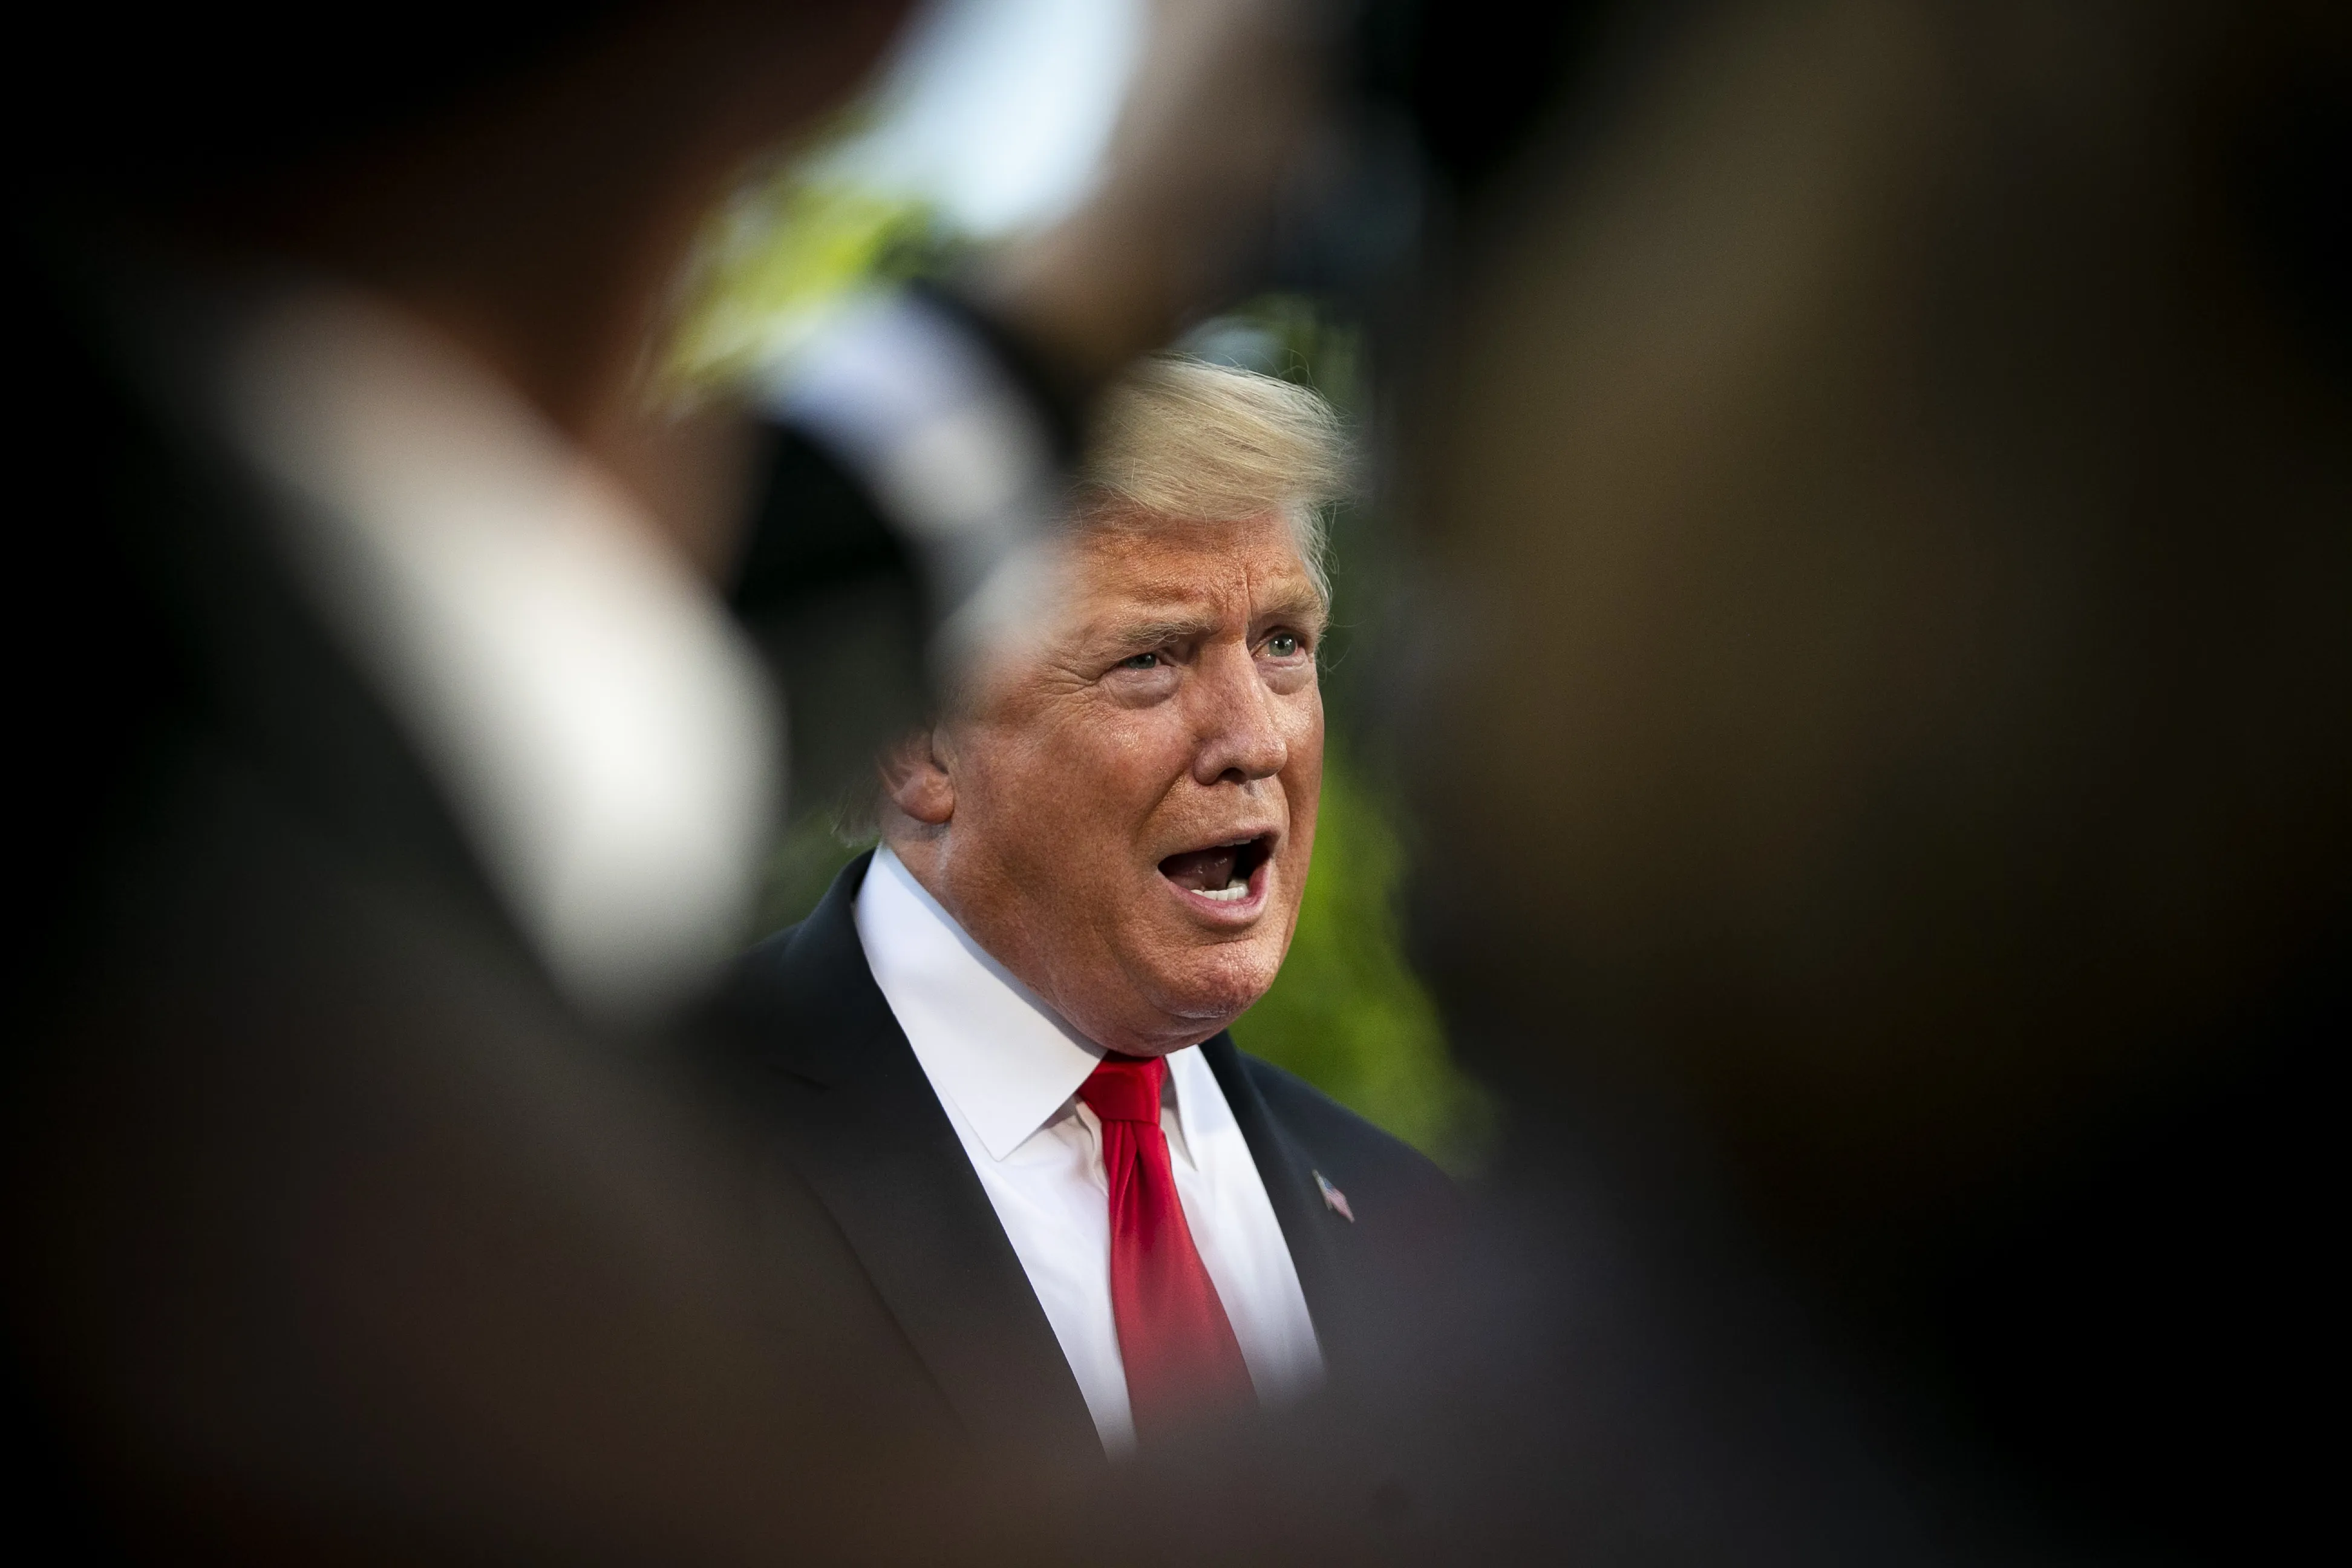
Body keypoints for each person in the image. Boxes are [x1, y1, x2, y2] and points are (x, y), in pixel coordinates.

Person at [710, 356, 1459, 1464]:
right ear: (917, 745)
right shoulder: (663, 1146)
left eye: (1284, 645)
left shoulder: (1411, 1220)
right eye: (1151, 659)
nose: (1254, 738)